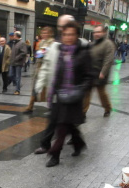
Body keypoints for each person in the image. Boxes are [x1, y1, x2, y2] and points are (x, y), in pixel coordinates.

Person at [44, 21, 92, 167]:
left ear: (76, 35)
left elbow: (89, 76)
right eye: (65, 34)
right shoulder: (61, 52)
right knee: (69, 125)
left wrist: (80, 89)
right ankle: (79, 144)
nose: (68, 37)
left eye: (71, 34)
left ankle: (55, 154)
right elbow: (57, 75)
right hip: (60, 95)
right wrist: (51, 94)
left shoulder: (83, 54)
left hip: (74, 97)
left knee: (62, 126)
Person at [33, 14, 81, 155]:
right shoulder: (54, 47)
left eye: (65, 26)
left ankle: (56, 149)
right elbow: (46, 66)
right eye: (60, 26)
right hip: (56, 90)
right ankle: (49, 144)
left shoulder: (80, 47)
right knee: (57, 119)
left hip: (72, 93)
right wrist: (40, 84)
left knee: (63, 122)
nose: (62, 29)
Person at [83, 25, 114, 117]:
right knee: (86, 92)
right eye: (95, 32)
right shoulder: (92, 44)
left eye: (98, 32)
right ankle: (83, 111)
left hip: (100, 73)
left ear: (103, 33)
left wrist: (103, 72)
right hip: (90, 72)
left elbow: (108, 59)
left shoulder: (108, 44)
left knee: (101, 93)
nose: (96, 34)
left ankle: (107, 108)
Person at [24, 27, 55, 113]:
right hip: (39, 68)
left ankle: (52, 106)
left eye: (46, 33)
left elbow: (42, 54)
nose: (44, 34)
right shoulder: (41, 43)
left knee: (49, 88)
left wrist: (41, 53)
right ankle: (30, 105)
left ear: (50, 34)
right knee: (35, 87)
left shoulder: (52, 43)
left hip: (47, 68)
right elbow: (38, 54)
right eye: (43, 33)